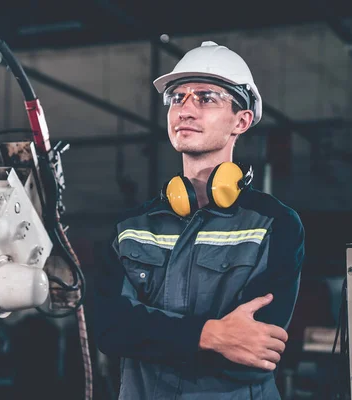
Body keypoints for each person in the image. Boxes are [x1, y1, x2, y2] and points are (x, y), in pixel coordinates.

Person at [93, 41, 305, 399]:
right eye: (177, 97)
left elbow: (253, 351)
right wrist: (211, 335)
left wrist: (147, 334)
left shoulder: (275, 224)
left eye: (206, 98)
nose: (185, 110)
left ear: (242, 120)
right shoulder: (131, 227)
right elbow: (109, 330)